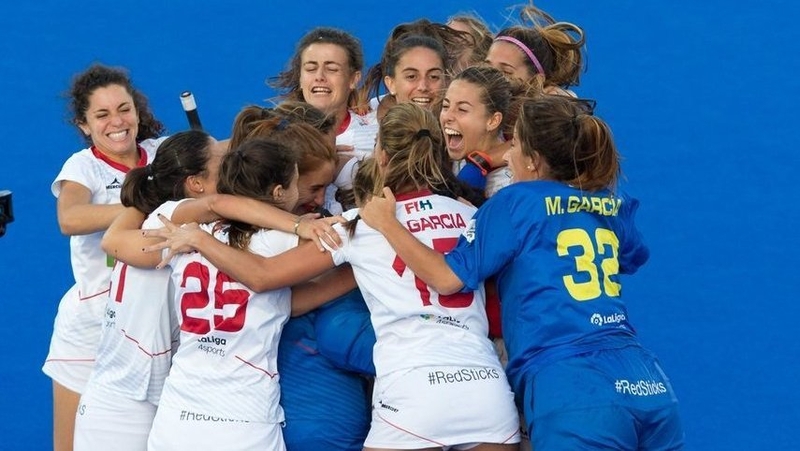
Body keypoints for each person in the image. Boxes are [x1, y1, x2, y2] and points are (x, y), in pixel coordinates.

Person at [144, 103, 522, 451]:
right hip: (486, 391)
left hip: (413, 391)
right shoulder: (472, 214)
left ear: (382, 156)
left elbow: (262, 277)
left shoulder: (359, 225)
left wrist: (196, 238)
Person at [359, 95, 685, 450]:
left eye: (513, 145)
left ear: (532, 160)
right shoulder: (607, 203)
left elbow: (446, 279)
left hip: (572, 386)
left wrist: (389, 225)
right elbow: (634, 255)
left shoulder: (513, 203)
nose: (507, 155)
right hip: (647, 382)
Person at [144, 138, 307, 450]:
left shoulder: (175, 226)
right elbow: (349, 248)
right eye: (297, 183)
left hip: (175, 417)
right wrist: (302, 226)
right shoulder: (280, 242)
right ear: (278, 193)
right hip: (244, 421)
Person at [72, 130, 223, 451]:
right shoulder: (169, 226)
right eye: (223, 163)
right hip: (123, 409)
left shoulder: (158, 219)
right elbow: (217, 205)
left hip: (159, 401)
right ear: (195, 183)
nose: (233, 168)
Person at [42, 63, 166, 451]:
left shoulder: (162, 153)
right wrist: (147, 205)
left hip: (155, 322)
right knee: (70, 445)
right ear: (83, 124)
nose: (117, 121)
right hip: (93, 325)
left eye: (124, 108)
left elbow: (228, 154)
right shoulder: (83, 166)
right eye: (102, 114)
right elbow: (71, 217)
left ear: (138, 110)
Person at [270, 27, 379, 215]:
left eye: (332, 69)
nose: (319, 76)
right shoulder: (271, 132)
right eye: (311, 68)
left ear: (353, 79)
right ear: (300, 77)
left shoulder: (377, 130)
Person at [440, 65, 519, 198]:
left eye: (462, 109)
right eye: (446, 106)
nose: (447, 116)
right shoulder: (459, 154)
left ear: (493, 121)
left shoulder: (508, 185)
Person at [486, 4, 586, 98]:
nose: (488, 77)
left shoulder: (555, 114)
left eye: (506, 72)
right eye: (486, 67)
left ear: (537, 79)